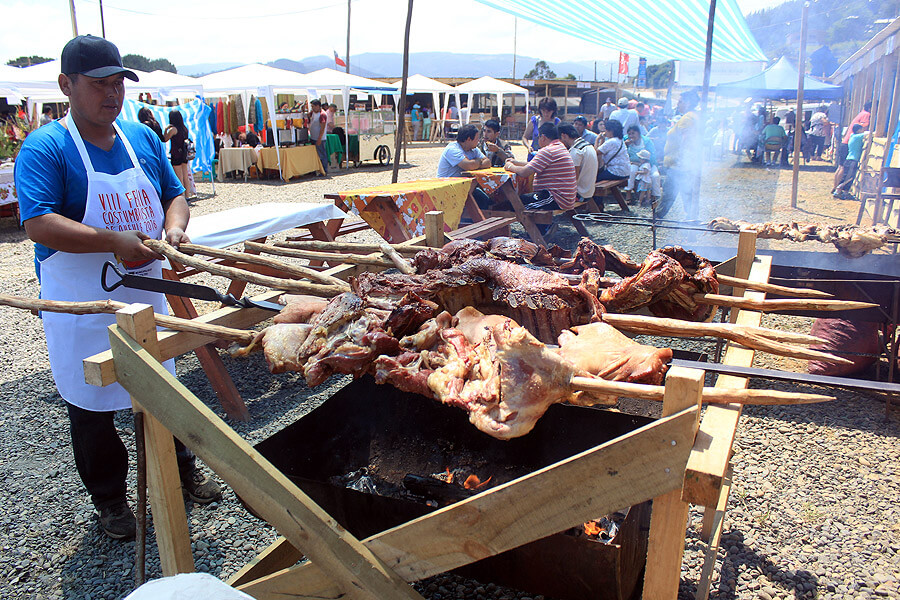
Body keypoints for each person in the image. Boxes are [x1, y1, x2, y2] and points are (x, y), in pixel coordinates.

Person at [14, 35, 220, 541]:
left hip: (145, 295)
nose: (113, 95)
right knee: (91, 405)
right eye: (99, 85)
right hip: (82, 303)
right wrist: (111, 240)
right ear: (66, 85)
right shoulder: (46, 147)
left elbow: (174, 193)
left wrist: (174, 229)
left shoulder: (141, 138)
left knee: (163, 390)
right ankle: (109, 502)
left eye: (118, 85)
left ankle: (181, 473)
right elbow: (38, 222)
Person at [506, 122, 577, 212]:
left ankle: (544, 226)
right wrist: (516, 163)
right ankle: (543, 226)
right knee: (516, 202)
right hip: (564, 198)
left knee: (514, 204)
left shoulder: (548, 150)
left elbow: (524, 172)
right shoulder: (559, 147)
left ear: (543, 137)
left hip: (556, 199)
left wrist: (510, 166)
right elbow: (535, 165)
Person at [661, 90, 702, 219]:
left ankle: (657, 219)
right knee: (686, 194)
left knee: (668, 194)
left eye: (680, 101)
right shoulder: (693, 116)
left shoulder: (687, 118)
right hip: (684, 164)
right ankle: (690, 220)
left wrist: (681, 161)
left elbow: (687, 140)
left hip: (678, 165)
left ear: (688, 102)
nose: (678, 104)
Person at [437, 124, 492, 206]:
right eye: (477, 139)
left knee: (486, 200)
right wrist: (478, 162)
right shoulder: (452, 149)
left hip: (464, 187)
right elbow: (468, 166)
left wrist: (474, 163)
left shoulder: (474, 149)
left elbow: (488, 163)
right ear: (469, 139)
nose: (479, 141)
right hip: (448, 188)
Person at [834, 101, 871, 190]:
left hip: (845, 141)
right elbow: (865, 127)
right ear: (870, 108)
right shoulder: (866, 114)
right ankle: (839, 188)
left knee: (841, 167)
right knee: (845, 171)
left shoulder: (860, 113)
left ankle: (835, 187)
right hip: (848, 145)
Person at [559, 123, 598, 202]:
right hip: (588, 192)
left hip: (580, 194)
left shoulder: (576, 151)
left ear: (564, 136)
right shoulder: (588, 146)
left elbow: (573, 179)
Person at [624, 125, 661, 201]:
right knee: (632, 171)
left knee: (655, 176)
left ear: (638, 133)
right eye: (629, 134)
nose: (631, 136)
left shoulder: (646, 141)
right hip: (633, 163)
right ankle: (628, 192)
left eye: (633, 133)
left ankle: (656, 195)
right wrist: (625, 145)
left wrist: (645, 164)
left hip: (648, 163)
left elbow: (652, 155)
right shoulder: (626, 141)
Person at [163, 110, 192, 198]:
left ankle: (182, 196)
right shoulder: (184, 128)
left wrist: (166, 129)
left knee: (179, 176)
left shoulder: (173, 129)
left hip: (176, 154)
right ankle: (187, 195)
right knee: (185, 175)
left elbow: (165, 139)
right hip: (184, 153)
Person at [833, 123, 865, 199]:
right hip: (852, 160)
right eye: (861, 129)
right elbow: (868, 134)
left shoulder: (852, 136)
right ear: (858, 130)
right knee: (848, 177)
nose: (863, 130)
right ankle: (838, 190)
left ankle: (844, 192)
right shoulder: (858, 137)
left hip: (849, 159)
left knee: (848, 176)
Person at [595, 119, 631, 183]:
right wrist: (602, 140)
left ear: (611, 131)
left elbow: (595, 153)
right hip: (626, 171)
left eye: (606, 129)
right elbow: (601, 150)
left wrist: (597, 140)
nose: (605, 131)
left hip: (616, 172)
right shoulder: (620, 140)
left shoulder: (612, 141)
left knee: (595, 178)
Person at [308, 99, 328, 175]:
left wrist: (319, 138)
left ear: (318, 106)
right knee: (314, 155)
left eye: (313, 106)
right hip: (313, 137)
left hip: (320, 138)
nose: (312, 108)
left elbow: (322, 128)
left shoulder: (322, 114)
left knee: (322, 155)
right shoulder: (313, 112)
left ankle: (324, 171)